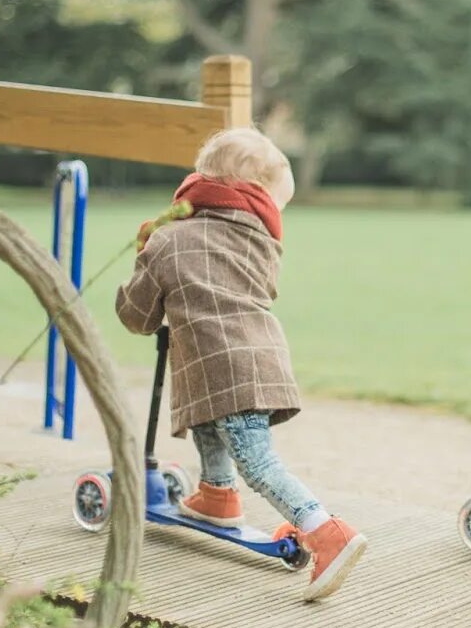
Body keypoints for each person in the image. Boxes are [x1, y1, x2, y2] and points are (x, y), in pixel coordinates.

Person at [116, 128, 366, 602]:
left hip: (223, 363)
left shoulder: (169, 241)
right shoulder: (261, 241)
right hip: (261, 356)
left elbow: (139, 317)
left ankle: (326, 531)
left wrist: (144, 256)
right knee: (208, 418)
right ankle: (216, 494)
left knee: (256, 459)